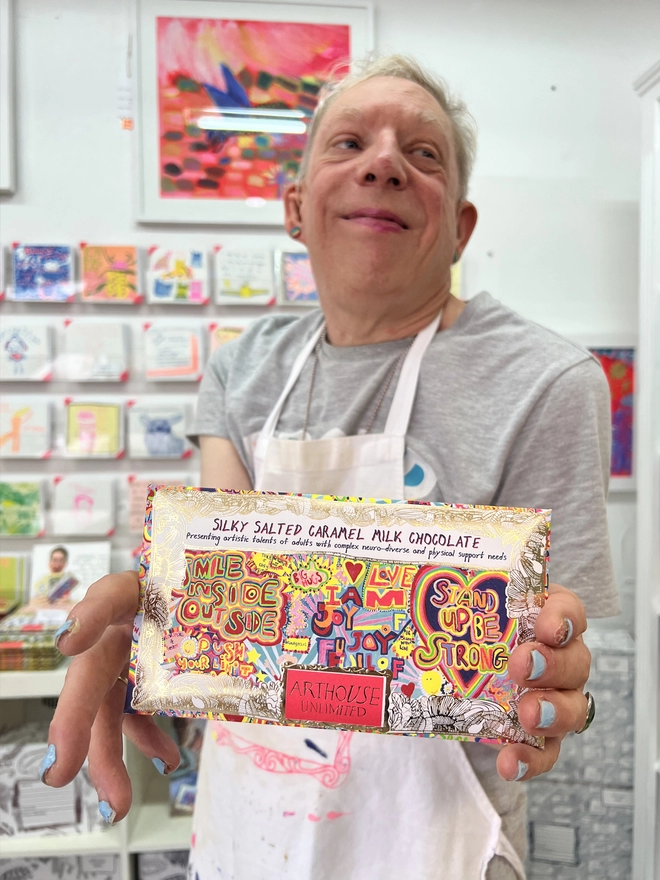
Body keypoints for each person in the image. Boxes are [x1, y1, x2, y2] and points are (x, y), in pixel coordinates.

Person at [42, 55, 618, 880]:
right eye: (349, 142)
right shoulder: (244, 371)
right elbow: (218, 589)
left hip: (437, 843)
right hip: (253, 821)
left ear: (460, 227)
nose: (383, 162)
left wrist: (551, 680)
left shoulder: (546, 383)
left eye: (423, 155)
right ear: (295, 209)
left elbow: (548, 660)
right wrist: (154, 622)